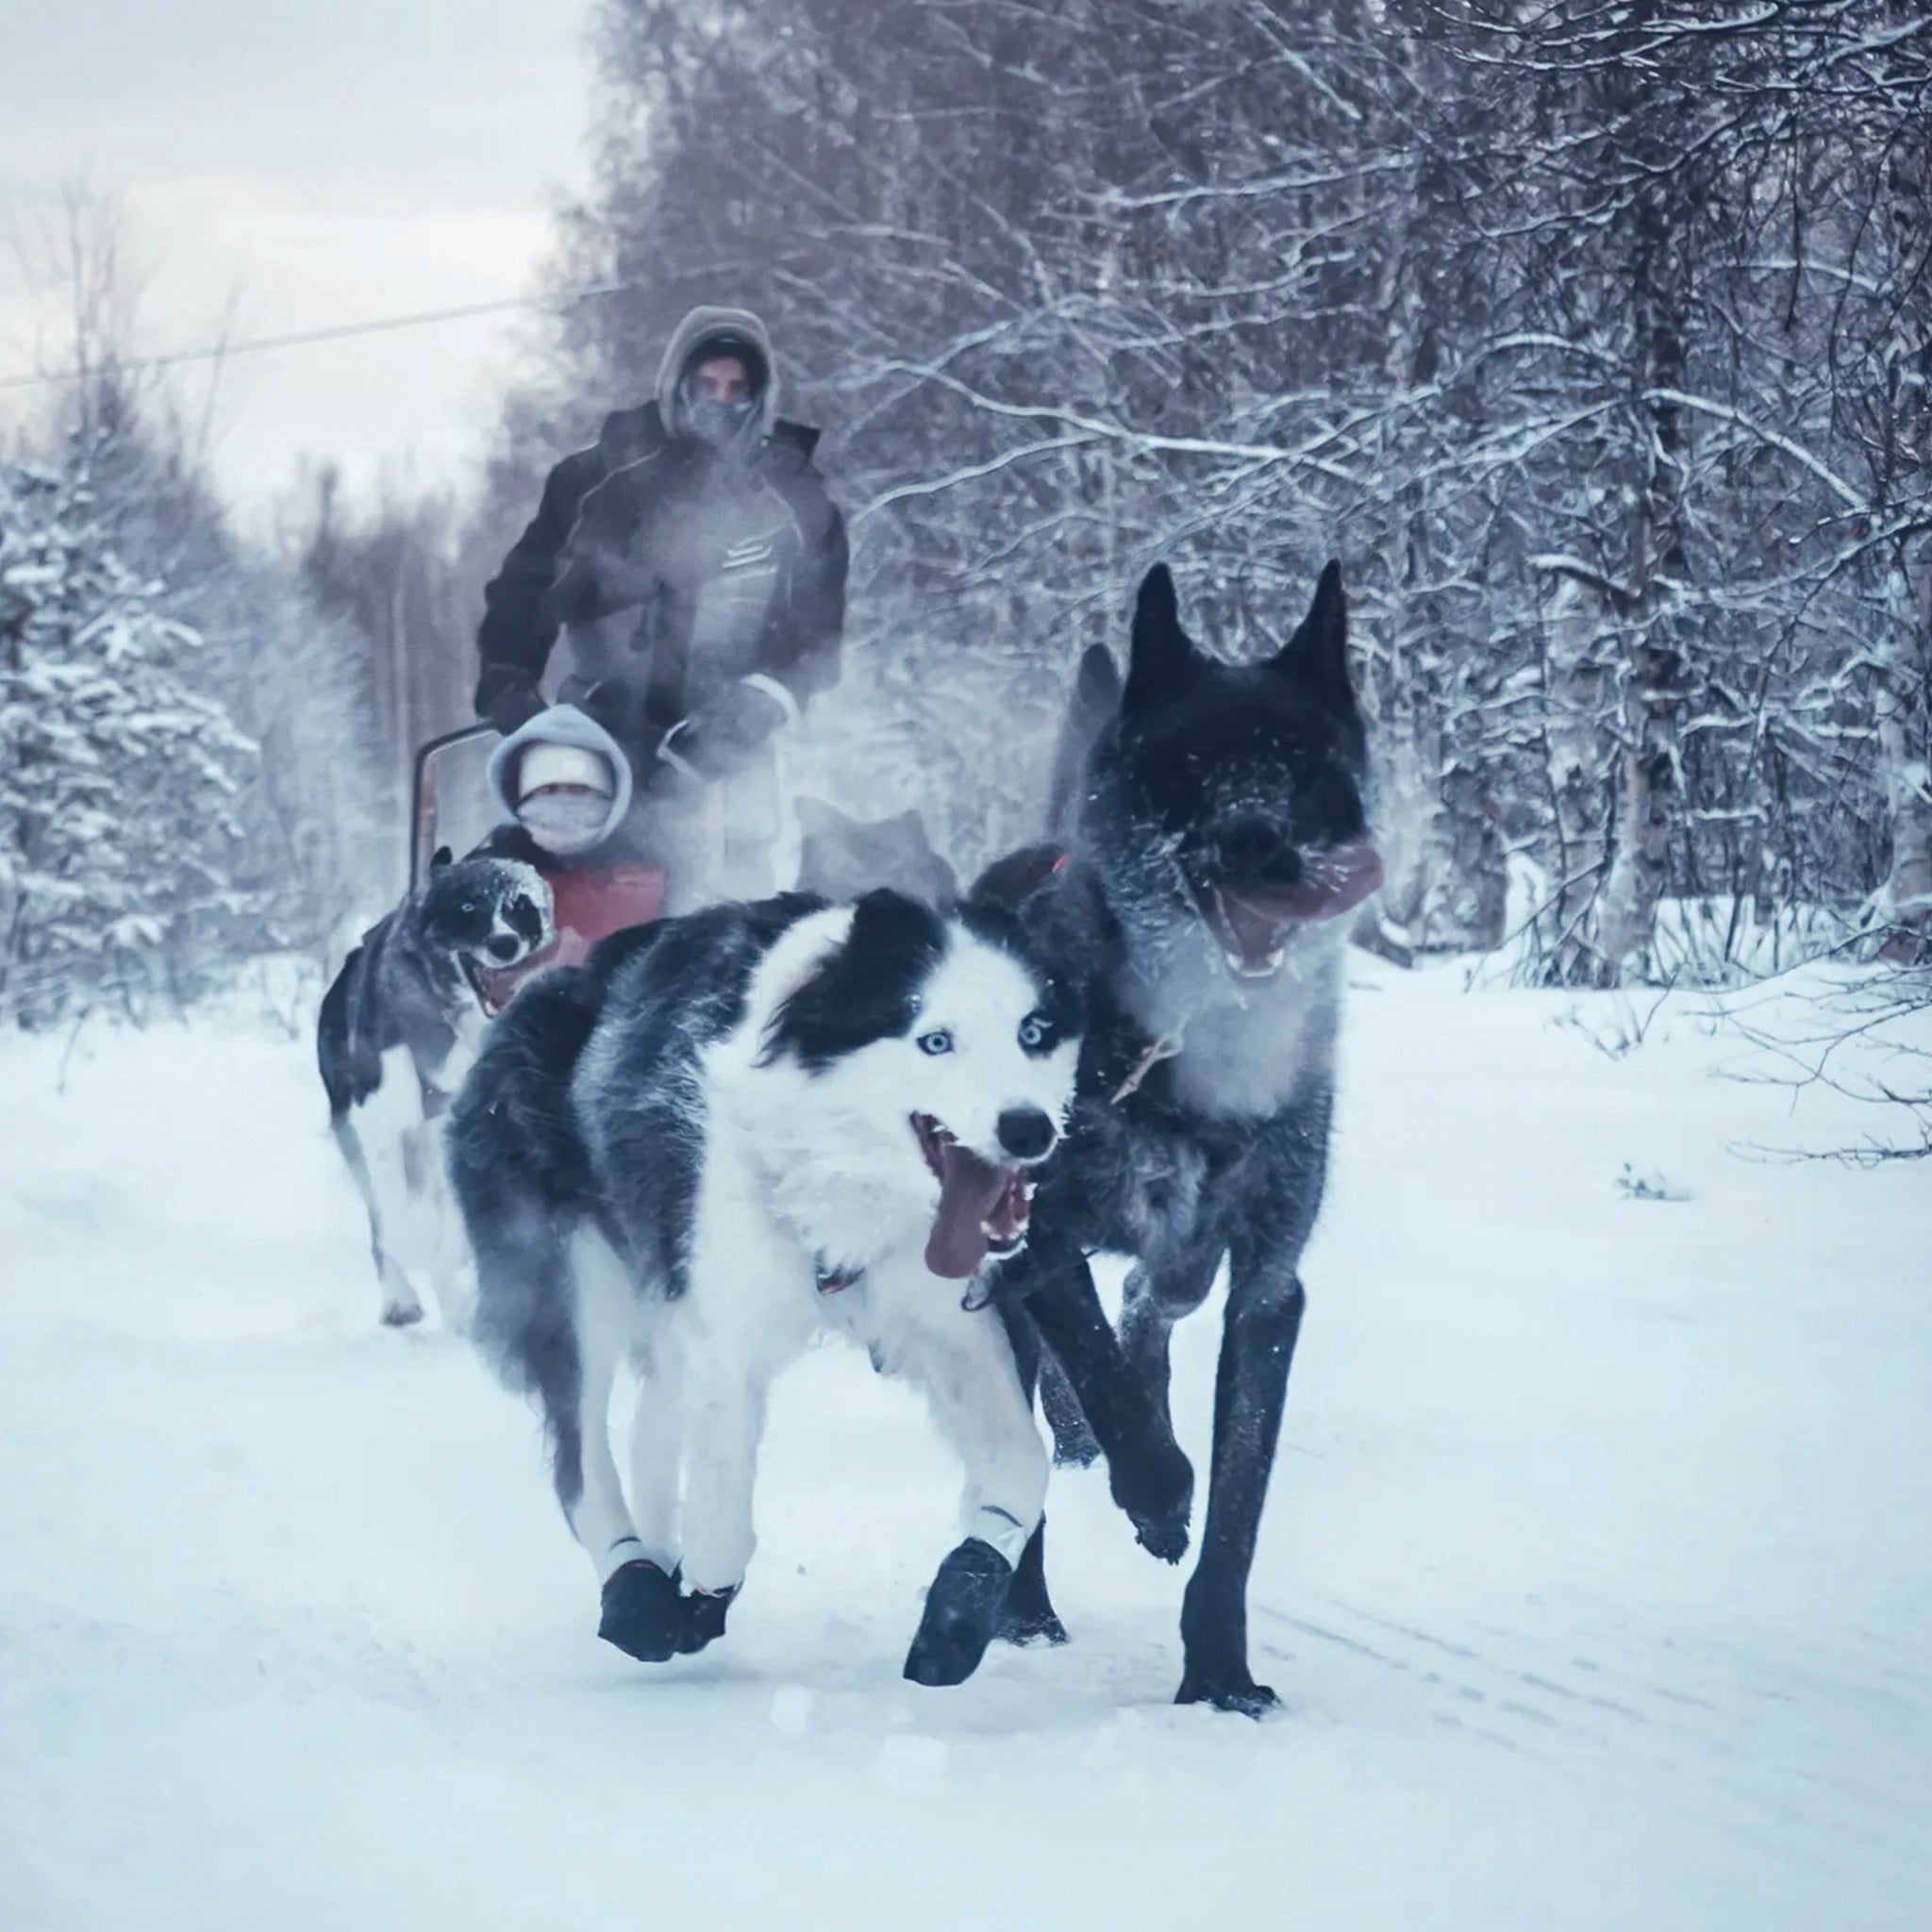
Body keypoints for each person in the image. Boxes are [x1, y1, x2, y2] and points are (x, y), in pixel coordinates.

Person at [475, 306, 848, 905]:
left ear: (760, 396)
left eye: (736, 388)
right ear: (675, 381)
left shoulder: (796, 503)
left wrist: (755, 707)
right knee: (567, 883)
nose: (719, 402)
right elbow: (525, 587)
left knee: (732, 913)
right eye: (705, 385)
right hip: (600, 730)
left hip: (728, 744)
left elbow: (816, 638)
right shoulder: (595, 479)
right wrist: (507, 677)